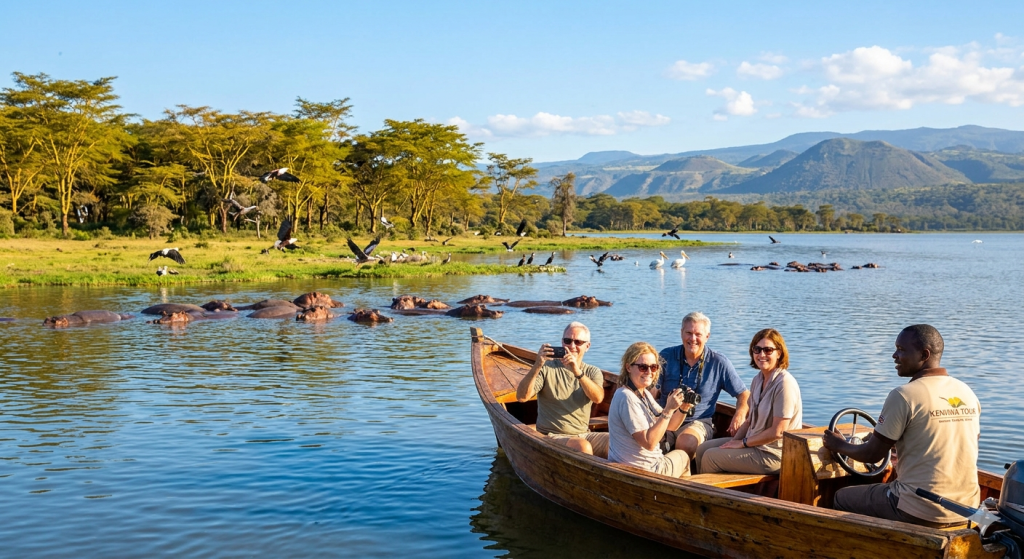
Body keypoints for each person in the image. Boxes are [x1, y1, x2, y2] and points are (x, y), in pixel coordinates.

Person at [823, 325, 981, 528]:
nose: (894, 355)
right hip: (968, 509)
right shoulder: (966, 392)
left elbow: (871, 455)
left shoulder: (904, 395)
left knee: (842, 497)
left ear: (924, 354)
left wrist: (838, 444)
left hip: (921, 508)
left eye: (901, 349)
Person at [695, 328, 802, 475]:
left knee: (711, 457)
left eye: (768, 350)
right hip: (754, 445)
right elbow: (750, 421)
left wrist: (743, 443)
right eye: (757, 349)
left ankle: (710, 496)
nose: (761, 354)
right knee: (702, 449)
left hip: (775, 454)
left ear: (779, 353)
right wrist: (733, 442)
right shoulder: (758, 380)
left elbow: (779, 431)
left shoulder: (784, 383)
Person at [655, 312, 751, 459]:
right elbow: (652, 391)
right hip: (666, 416)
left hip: (698, 421)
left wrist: (739, 414)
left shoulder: (719, 362)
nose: (693, 339)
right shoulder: (666, 356)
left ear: (707, 336)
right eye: (688, 333)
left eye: (698, 334)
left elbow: (744, 394)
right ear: (681, 333)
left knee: (686, 442)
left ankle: (684, 479)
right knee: (649, 441)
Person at [516, 322, 608, 457]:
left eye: (578, 342)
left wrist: (577, 371)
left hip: (583, 434)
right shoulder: (547, 368)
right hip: (551, 436)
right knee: (583, 447)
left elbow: (598, 398)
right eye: (567, 341)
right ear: (562, 342)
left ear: (587, 346)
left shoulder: (592, 371)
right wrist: (537, 365)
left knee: (618, 441)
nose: (572, 346)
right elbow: (522, 397)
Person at [608, 341, 692, 477]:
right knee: (683, 457)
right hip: (644, 470)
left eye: (653, 367)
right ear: (628, 367)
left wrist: (682, 408)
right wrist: (668, 410)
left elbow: (671, 426)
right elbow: (649, 443)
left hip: (641, 465)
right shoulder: (626, 397)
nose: (649, 372)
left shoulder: (643, 393)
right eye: (642, 367)